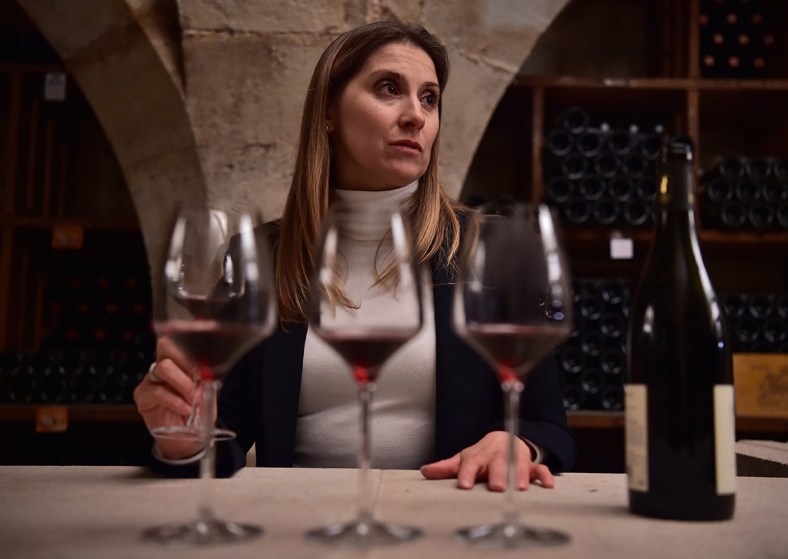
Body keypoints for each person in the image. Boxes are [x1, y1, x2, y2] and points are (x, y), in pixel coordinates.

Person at [133, 20, 577, 491]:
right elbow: (226, 430)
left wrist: (518, 443)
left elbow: (549, 426)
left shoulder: (486, 249)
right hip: (297, 517)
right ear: (328, 111)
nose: (416, 115)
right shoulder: (260, 256)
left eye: (429, 98)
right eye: (389, 88)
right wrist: (185, 436)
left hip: (449, 511)